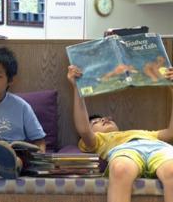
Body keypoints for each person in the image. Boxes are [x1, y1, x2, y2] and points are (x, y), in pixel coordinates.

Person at [67, 65, 173, 202]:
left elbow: (170, 132)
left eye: (104, 118)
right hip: (125, 151)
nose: (104, 119)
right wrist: (77, 88)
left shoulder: (141, 133)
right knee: (120, 168)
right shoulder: (99, 139)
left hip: (159, 149)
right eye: (96, 122)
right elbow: (84, 130)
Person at [0, 47, 46, 179]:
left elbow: (39, 140)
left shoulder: (21, 106)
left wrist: (39, 156)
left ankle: (12, 166)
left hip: (14, 152)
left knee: (18, 155)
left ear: (10, 80)